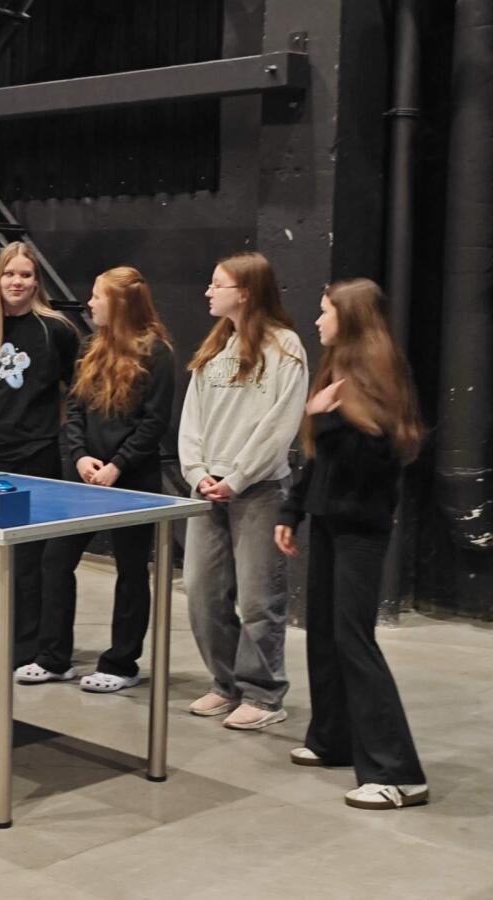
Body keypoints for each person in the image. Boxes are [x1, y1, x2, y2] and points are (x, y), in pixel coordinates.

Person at [274, 278, 428, 810]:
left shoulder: (379, 376)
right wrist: (293, 510)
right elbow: (321, 460)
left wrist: (322, 418)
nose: (317, 320)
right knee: (323, 633)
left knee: (354, 640)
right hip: (327, 519)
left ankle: (398, 774)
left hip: (360, 527)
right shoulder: (335, 370)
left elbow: (375, 461)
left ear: (351, 317)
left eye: (325, 312)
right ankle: (333, 738)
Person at [17, 267, 174, 690]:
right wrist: (81, 455)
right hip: (84, 480)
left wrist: (118, 464)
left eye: (97, 296)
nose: (89, 303)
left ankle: (121, 664)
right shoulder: (91, 347)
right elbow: (75, 409)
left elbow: (154, 422)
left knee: (131, 569)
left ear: (121, 304)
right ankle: (54, 656)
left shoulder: (156, 353)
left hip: (132, 480)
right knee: (56, 560)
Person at [178, 251, 307, 730]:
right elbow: (192, 418)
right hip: (206, 489)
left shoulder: (285, 348)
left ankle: (264, 695)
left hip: (259, 490)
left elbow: (280, 425)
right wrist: (197, 472)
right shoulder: (216, 346)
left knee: (258, 600)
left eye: (218, 284)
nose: (209, 291)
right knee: (201, 591)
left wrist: (237, 477)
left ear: (246, 292)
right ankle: (226, 683)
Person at [0, 241, 80, 666]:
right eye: (9, 274)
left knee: (27, 559)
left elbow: (73, 392)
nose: (16, 282)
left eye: (25, 274)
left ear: (36, 281)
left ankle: (24, 648)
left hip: (34, 461)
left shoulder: (56, 330)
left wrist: (47, 430)